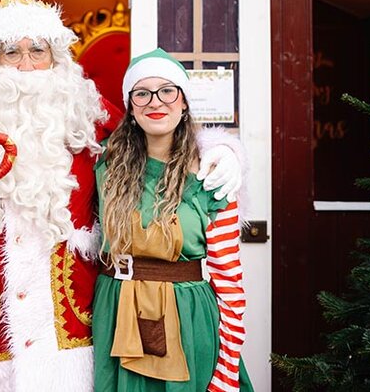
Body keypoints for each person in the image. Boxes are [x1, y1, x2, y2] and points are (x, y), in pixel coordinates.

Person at [0, 0, 245, 392]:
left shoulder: (86, 115)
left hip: (72, 328)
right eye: (12, 52)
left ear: (56, 59)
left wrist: (219, 150)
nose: (25, 64)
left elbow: (153, 135)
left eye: (38, 50)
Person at [94, 49, 252, 391]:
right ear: (131, 107)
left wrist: (225, 375)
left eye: (168, 90)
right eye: (142, 93)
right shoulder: (104, 167)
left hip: (186, 321)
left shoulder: (211, 176)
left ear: (184, 103)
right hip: (114, 314)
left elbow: (231, 285)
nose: (156, 101)